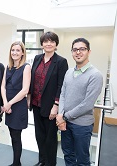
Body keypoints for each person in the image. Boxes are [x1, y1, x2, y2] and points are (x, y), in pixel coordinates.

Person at [56, 38, 103, 166]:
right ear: (72, 52)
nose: (78, 52)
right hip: (65, 122)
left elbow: (87, 105)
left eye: (82, 49)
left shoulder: (95, 75)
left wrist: (64, 116)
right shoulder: (69, 72)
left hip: (82, 125)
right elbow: (63, 94)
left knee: (82, 159)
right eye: (75, 49)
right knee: (68, 154)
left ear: (89, 51)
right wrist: (60, 115)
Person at [28, 31, 68, 166]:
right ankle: (42, 161)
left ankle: (50, 163)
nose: (48, 44)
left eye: (52, 41)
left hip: (50, 106)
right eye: (46, 41)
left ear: (56, 44)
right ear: (42, 44)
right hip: (36, 103)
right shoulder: (37, 58)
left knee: (50, 139)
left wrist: (56, 105)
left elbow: (61, 85)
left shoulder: (61, 62)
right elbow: (33, 80)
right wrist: (29, 97)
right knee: (39, 136)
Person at [1, 41, 31, 166]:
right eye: (13, 50)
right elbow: (3, 87)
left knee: (16, 136)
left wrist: (9, 104)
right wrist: (5, 103)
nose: (15, 52)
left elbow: (25, 90)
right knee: (12, 135)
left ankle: (16, 163)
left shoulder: (26, 67)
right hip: (8, 106)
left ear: (22, 53)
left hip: (18, 106)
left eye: (18, 50)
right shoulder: (7, 67)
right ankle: (16, 162)